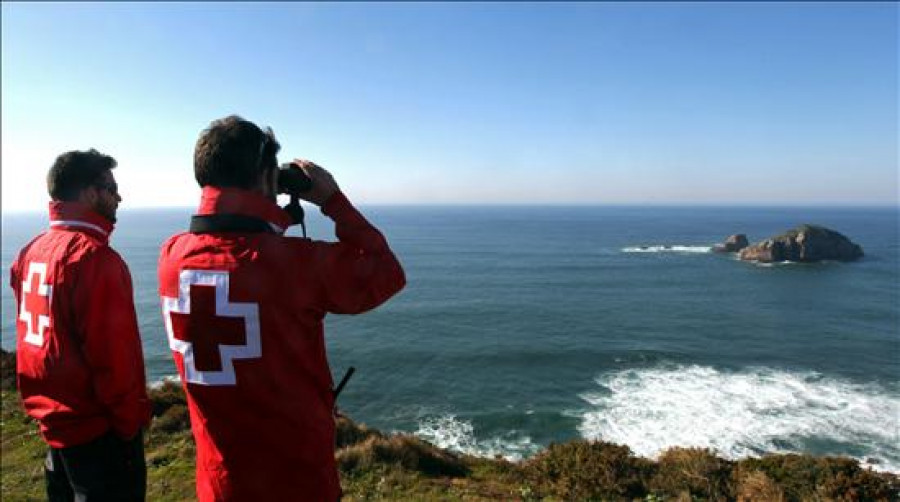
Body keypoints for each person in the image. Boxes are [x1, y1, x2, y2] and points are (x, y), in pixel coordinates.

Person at [158, 115, 406, 501]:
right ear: (264, 178)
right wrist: (332, 200)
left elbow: (238, 253)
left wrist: (271, 216)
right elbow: (385, 273)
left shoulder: (171, 256)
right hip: (295, 479)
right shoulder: (296, 265)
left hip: (219, 481)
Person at [10, 149, 151, 501]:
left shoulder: (31, 251)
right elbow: (114, 359)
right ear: (90, 193)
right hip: (98, 433)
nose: (119, 196)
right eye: (111, 187)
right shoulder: (95, 259)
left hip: (55, 426)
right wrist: (130, 423)